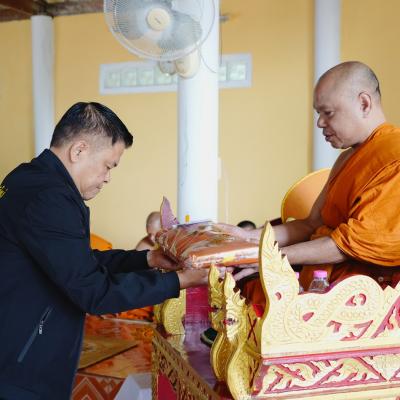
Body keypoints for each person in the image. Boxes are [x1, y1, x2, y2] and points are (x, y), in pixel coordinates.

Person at [0, 102, 209, 400]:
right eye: (108, 165)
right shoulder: (50, 198)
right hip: (22, 365)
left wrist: (148, 258)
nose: (108, 177)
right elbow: (93, 292)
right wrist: (179, 281)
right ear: (79, 150)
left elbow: (77, 261)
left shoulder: (28, 178)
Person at [231, 61, 400, 302]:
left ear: (364, 103)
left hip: (365, 292)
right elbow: (312, 224)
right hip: (322, 278)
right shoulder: (345, 158)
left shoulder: (394, 156)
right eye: (318, 113)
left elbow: (348, 244)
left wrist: (271, 259)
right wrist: (247, 237)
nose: (319, 122)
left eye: (328, 112)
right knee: (241, 281)